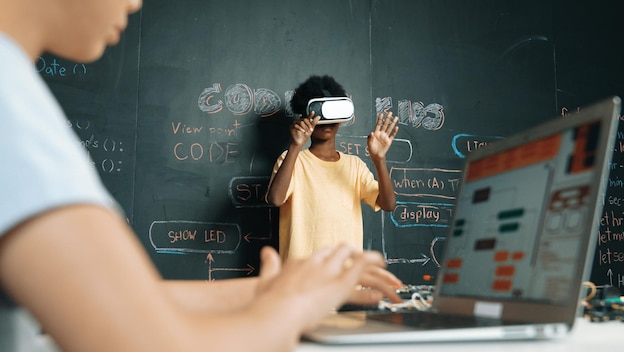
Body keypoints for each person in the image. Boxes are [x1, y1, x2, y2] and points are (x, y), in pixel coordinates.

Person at [0, 1, 403, 351]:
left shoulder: (16, 90)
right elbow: (147, 341)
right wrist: (295, 306)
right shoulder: (11, 99)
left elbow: (109, 302)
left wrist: (265, 292)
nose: (137, 4)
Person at [266, 75, 399, 261]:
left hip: (345, 278)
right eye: (319, 112)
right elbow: (275, 199)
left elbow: (388, 204)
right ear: (306, 116)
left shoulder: (355, 166)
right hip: (301, 279)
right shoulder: (293, 161)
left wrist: (379, 159)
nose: (326, 120)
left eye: (332, 111)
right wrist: (295, 145)